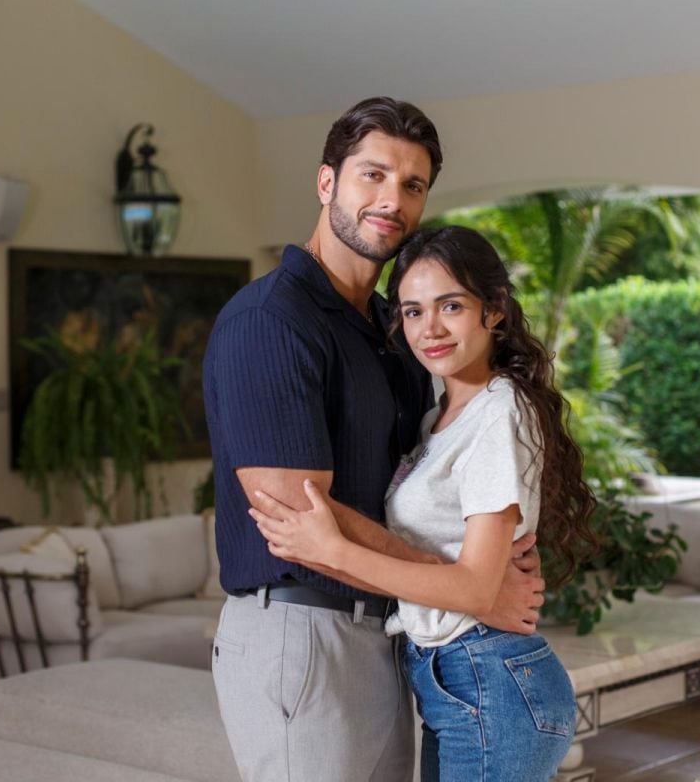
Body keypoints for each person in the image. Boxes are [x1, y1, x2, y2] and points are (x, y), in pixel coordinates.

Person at [202, 99, 545, 782]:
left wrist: (481, 562)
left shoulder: (398, 328)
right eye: (373, 175)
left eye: (413, 185)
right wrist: (467, 585)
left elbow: (450, 467)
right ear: (327, 182)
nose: (392, 199)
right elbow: (295, 520)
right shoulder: (271, 321)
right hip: (301, 630)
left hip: (391, 632)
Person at [249, 225, 600, 781]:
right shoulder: (437, 419)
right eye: (412, 311)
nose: (429, 329)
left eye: (450, 306)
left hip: (488, 680)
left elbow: (475, 589)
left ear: (494, 310)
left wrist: (332, 549)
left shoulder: (498, 414)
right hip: (457, 679)